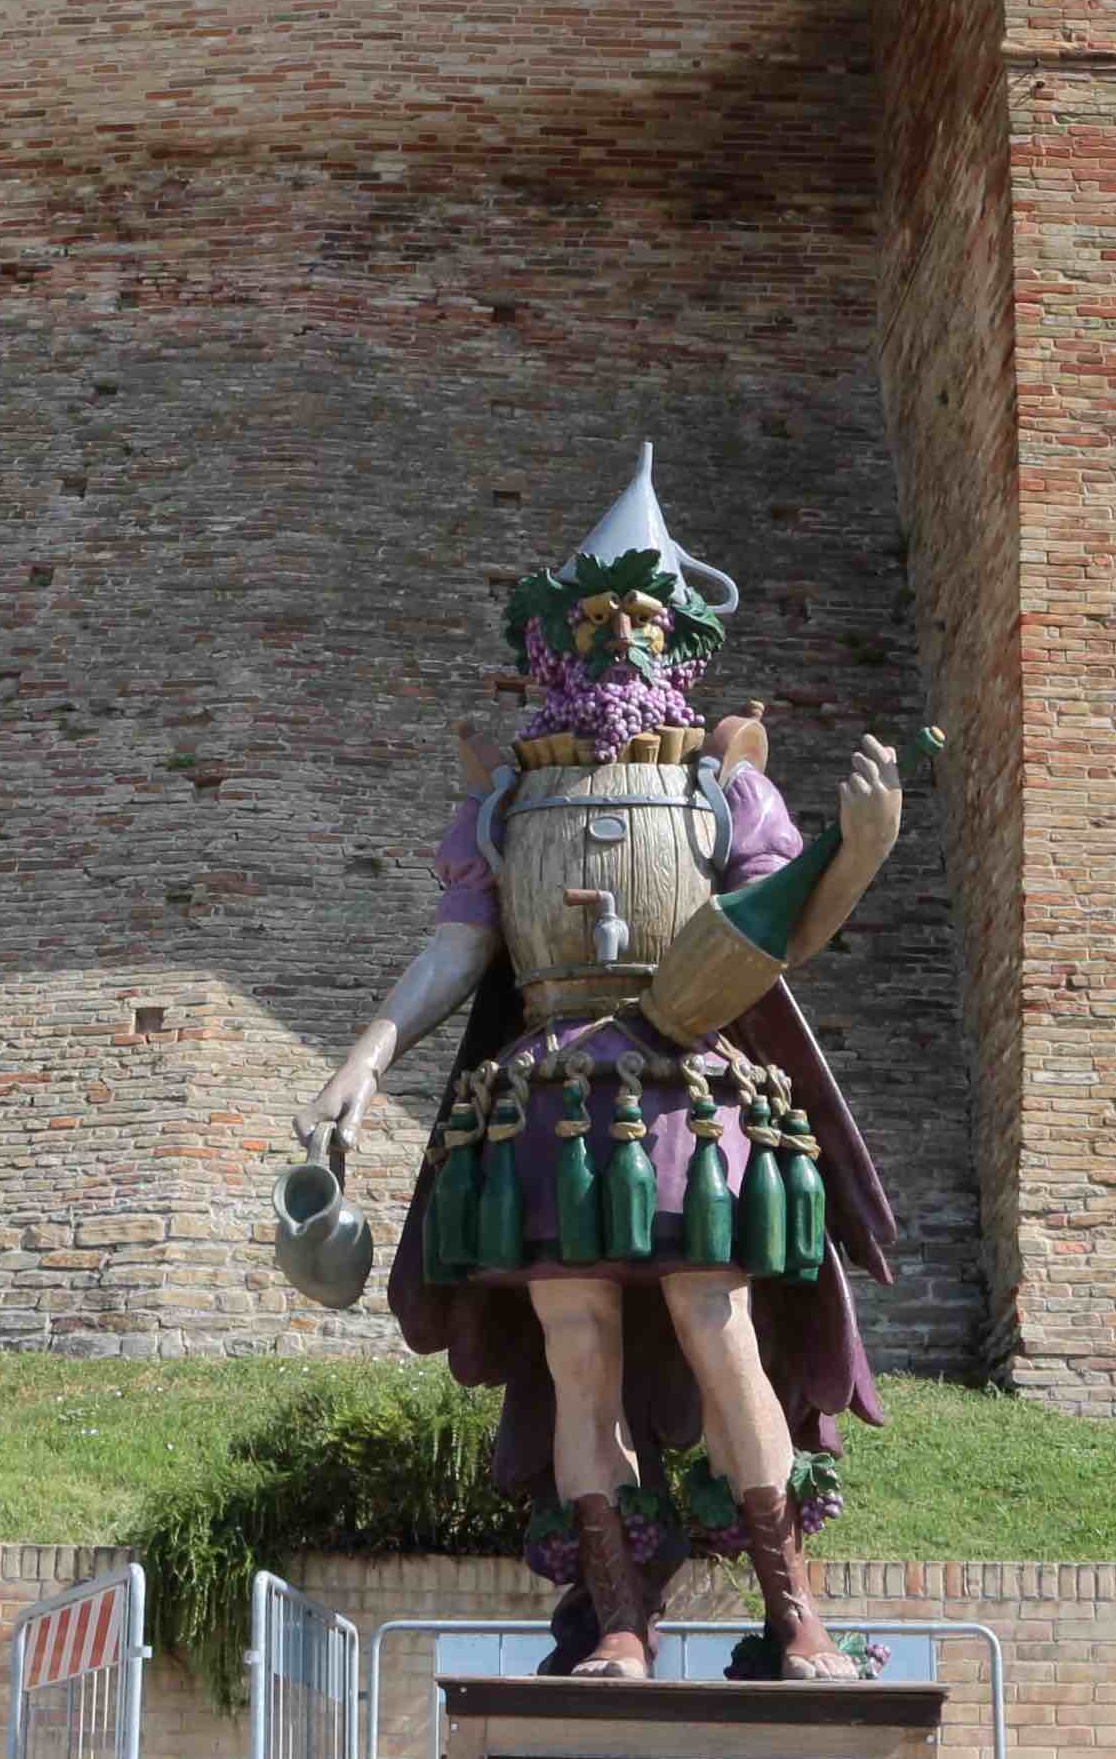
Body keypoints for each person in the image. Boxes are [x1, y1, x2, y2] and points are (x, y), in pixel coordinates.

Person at [312, 449, 907, 1680]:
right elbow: (459, 950)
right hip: (544, 1103)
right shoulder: (501, 806)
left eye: (643, 615)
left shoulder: (722, 784)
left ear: (680, 636)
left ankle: (796, 1613)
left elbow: (783, 924)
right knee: (576, 1354)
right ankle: (620, 1618)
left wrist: (860, 854)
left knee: (715, 1321)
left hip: (692, 1086)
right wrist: (365, 1058)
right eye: (594, 618)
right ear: (552, 644)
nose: (619, 637)